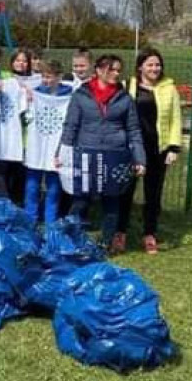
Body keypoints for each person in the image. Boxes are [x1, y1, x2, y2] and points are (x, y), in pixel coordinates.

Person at [57, 54, 146, 250]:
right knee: (80, 200)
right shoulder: (81, 95)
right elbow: (70, 125)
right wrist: (61, 153)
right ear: (98, 70)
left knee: (112, 201)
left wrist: (140, 159)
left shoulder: (125, 99)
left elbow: (133, 129)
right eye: (111, 69)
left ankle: (106, 244)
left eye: (118, 70)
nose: (116, 74)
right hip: (86, 153)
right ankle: (68, 241)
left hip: (115, 154)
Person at [116, 48, 181, 255]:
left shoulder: (169, 89)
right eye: (150, 64)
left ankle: (150, 235)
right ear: (140, 66)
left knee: (153, 196)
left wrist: (173, 147)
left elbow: (176, 120)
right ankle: (119, 234)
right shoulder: (127, 86)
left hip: (157, 150)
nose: (155, 68)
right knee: (125, 193)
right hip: (132, 149)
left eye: (157, 64)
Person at [23, 60, 72, 226]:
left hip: (56, 147)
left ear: (59, 77)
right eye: (43, 76)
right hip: (36, 146)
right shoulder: (34, 94)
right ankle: (30, 219)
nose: (46, 80)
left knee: (53, 186)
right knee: (32, 185)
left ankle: (51, 220)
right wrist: (27, 98)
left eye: (50, 77)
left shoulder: (70, 95)